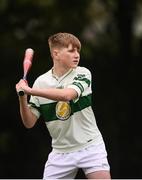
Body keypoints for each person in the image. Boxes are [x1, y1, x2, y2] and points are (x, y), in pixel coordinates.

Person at [16, 32, 111, 179]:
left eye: (78, 50)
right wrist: (22, 97)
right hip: (61, 152)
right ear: (56, 53)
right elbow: (29, 122)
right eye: (71, 50)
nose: (77, 55)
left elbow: (67, 95)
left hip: (90, 146)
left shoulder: (83, 73)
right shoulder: (41, 82)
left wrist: (29, 90)